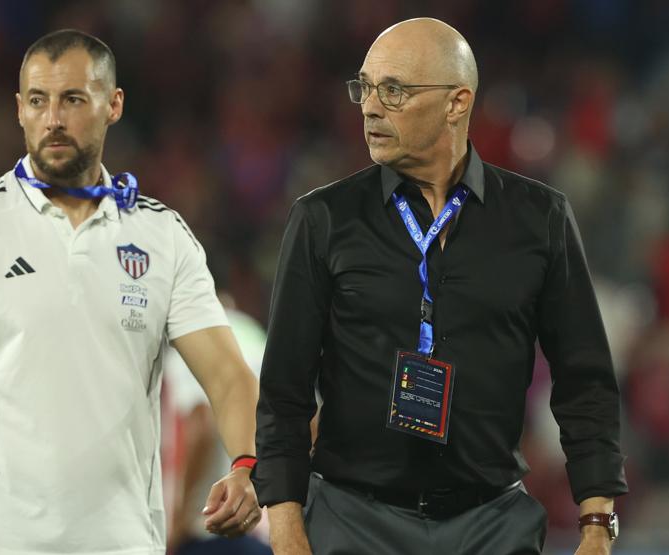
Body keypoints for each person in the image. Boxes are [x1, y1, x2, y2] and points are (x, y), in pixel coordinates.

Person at [0, 29, 261, 555]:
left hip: (126, 546)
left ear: (113, 104)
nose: (53, 118)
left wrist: (246, 466)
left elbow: (229, 376)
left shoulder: (162, 238)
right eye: (38, 101)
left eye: (73, 99)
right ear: (19, 110)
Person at [254, 18, 628, 555]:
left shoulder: (538, 219)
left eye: (394, 90)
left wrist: (597, 524)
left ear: (457, 103)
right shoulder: (323, 220)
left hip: (493, 524)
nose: (370, 107)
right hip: (353, 522)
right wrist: (288, 534)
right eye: (365, 87)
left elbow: (586, 382)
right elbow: (283, 396)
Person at [164, 289, 273, 555]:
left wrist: (179, 521)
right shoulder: (254, 334)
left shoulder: (192, 336)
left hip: (207, 526)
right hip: (258, 525)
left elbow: (202, 429)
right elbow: (311, 424)